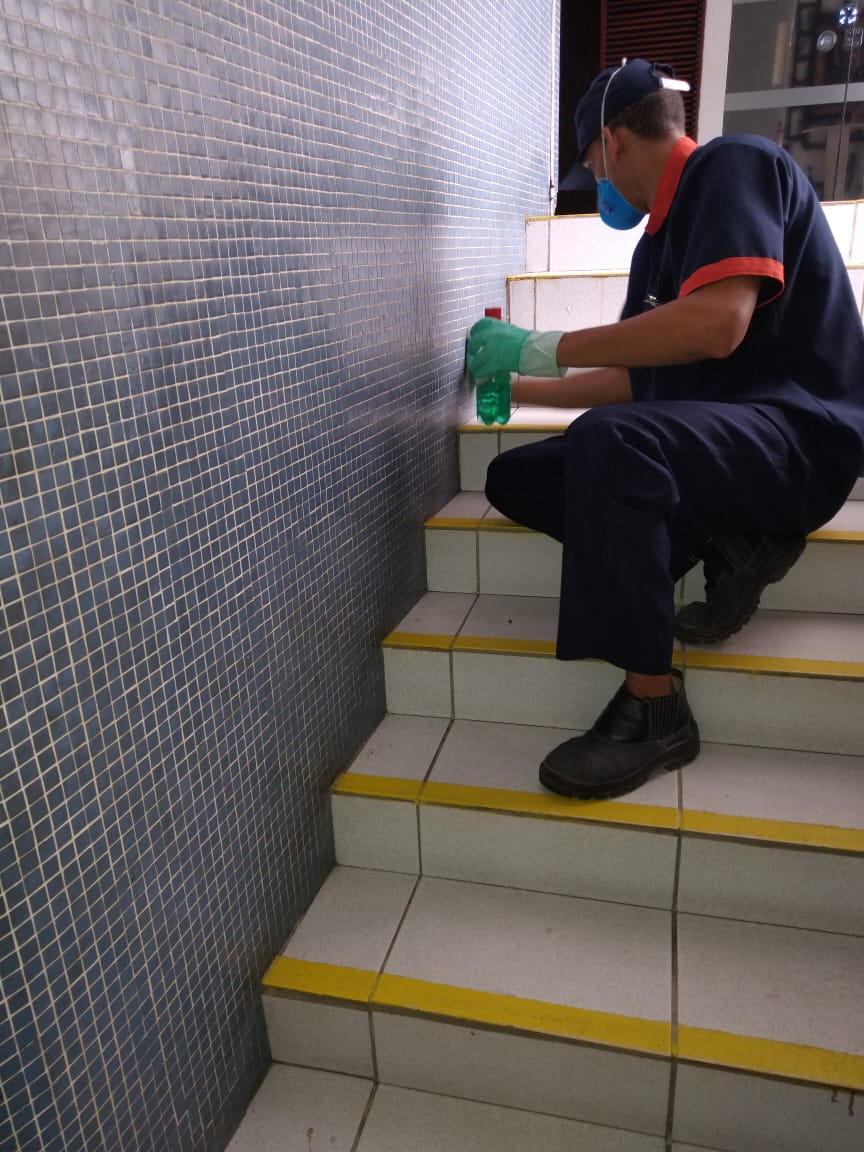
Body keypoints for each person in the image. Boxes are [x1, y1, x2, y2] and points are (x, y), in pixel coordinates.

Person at [466, 58, 864, 802]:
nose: (598, 184)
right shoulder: (656, 248)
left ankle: (655, 709)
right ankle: (733, 541)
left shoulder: (734, 165)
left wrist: (545, 344)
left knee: (609, 442)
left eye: (592, 167)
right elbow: (632, 380)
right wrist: (518, 378)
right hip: (722, 446)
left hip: (799, 441)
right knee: (517, 477)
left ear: (613, 142)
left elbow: (716, 325)